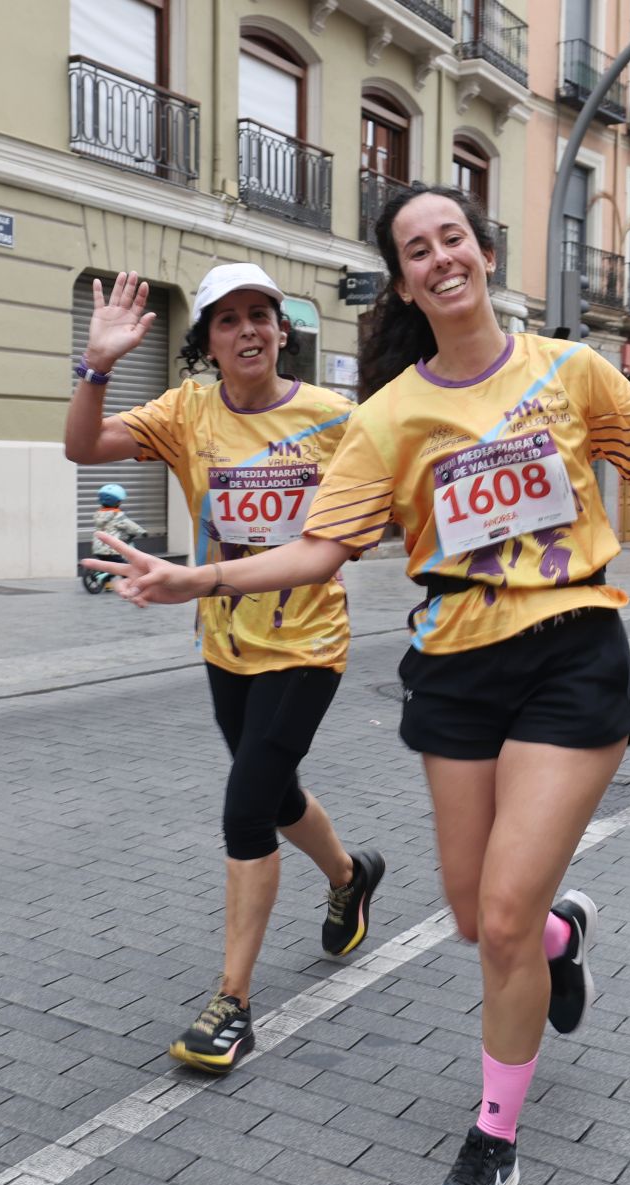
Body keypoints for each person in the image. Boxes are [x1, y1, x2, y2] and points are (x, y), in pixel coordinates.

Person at [90, 184, 630, 1185]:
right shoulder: (388, 414)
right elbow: (320, 550)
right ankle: (559, 935)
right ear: (404, 279)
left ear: (483, 253)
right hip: (453, 667)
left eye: (454, 236)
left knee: (494, 922)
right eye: (417, 248)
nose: (440, 256)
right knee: (473, 916)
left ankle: (492, 1139)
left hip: (570, 655)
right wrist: (197, 580)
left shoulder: (567, 371)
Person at [64, 264, 384, 1076]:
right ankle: (350, 875)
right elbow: (82, 446)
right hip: (224, 643)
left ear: (282, 330)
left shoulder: (335, 419)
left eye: (260, 316)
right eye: (226, 319)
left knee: (245, 810)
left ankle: (232, 1005)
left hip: (310, 643)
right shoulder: (186, 411)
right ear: (205, 342)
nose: (246, 330)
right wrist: (97, 365)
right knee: (273, 795)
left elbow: (370, 520)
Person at [85, 483, 147, 591]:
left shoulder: (98, 514)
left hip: (97, 548)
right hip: (111, 549)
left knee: (108, 565)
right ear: (117, 502)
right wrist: (142, 531)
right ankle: (131, 585)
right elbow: (129, 525)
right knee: (124, 567)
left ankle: (108, 585)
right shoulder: (117, 515)